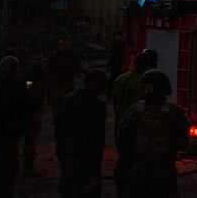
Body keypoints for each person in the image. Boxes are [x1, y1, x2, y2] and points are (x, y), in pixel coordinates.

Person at [117, 69, 189, 198]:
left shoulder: (134, 111)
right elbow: (183, 142)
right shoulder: (174, 113)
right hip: (164, 170)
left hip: (138, 171)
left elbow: (123, 139)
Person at [55, 68, 108, 198]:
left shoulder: (69, 98)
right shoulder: (97, 105)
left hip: (66, 154)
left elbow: (59, 128)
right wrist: (94, 171)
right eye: (104, 83)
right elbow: (96, 138)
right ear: (96, 84)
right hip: (85, 157)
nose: (106, 86)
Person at [0, 56, 31, 198]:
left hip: (1, 133)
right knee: (7, 171)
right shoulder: (18, 86)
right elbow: (30, 100)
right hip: (6, 134)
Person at [19, 48, 50, 177]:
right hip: (25, 110)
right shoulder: (25, 74)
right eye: (35, 59)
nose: (38, 61)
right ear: (30, 60)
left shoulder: (44, 73)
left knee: (30, 141)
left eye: (40, 59)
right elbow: (28, 88)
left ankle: (28, 168)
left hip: (36, 110)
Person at [112, 50, 153, 130]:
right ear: (147, 66)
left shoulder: (119, 79)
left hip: (120, 124)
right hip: (135, 127)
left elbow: (115, 102)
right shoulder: (146, 83)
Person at [47, 35, 83, 121]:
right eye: (61, 44)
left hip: (69, 84)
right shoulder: (54, 56)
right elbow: (49, 69)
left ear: (69, 45)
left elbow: (78, 68)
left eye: (65, 44)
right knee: (57, 106)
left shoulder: (73, 56)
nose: (62, 46)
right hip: (57, 85)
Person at [107, 32, 126, 98]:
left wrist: (124, 65)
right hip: (114, 67)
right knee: (111, 82)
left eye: (118, 36)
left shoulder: (124, 46)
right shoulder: (114, 46)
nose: (116, 38)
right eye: (115, 36)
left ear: (121, 37)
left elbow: (125, 56)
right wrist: (108, 65)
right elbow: (111, 57)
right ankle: (109, 96)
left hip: (121, 67)